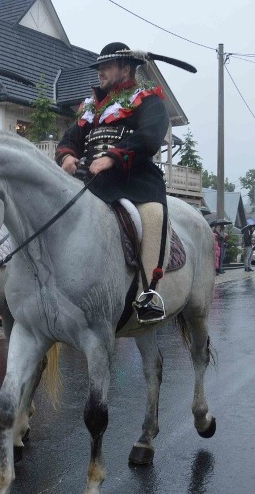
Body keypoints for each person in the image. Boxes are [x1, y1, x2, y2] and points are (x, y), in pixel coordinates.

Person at [55, 42, 170, 322]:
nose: (100, 73)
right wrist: (68, 157)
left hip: (134, 180)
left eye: (106, 67)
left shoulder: (147, 98)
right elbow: (69, 140)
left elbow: (150, 137)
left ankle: (149, 293)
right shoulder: (90, 108)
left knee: (153, 215)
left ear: (126, 68)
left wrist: (113, 158)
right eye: (98, 68)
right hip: (90, 180)